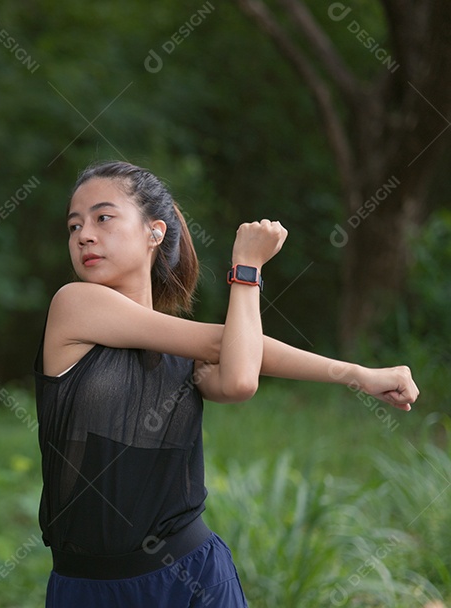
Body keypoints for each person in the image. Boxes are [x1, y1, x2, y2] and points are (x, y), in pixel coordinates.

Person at [34, 160, 418, 607]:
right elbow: (226, 344)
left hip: (195, 578)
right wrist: (248, 267)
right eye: (74, 224)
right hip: (90, 590)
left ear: (154, 232)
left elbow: (239, 377)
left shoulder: (182, 351)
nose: (83, 235)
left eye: (103, 217)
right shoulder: (74, 305)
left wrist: (359, 376)